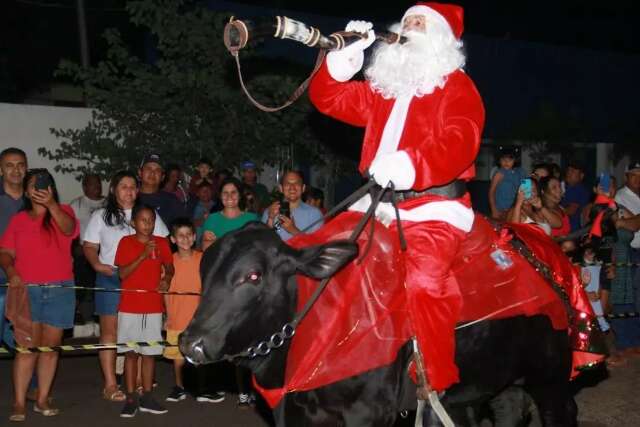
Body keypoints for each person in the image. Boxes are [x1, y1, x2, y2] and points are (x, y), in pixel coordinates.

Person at [309, 2, 484, 392]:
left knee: (424, 284)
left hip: (432, 208)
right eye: (405, 20)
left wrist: (413, 165)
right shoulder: (383, 91)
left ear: (440, 36)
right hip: (375, 205)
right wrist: (341, 62)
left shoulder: (456, 85)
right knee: (315, 256)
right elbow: (330, 100)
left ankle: (433, 382)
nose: (408, 27)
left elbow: (462, 140)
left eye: (419, 22)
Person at [83, 171, 169, 404]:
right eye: (123, 186)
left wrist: (164, 274)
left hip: (144, 282)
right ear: (113, 189)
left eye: (133, 186)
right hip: (111, 277)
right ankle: (111, 384)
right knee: (110, 333)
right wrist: (97, 265)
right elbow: (89, 246)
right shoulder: (101, 215)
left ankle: (141, 381)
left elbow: (163, 245)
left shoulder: (149, 215)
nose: (129, 190)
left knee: (142, 332)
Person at [0, 168, 79, 421]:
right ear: (26, 191)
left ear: (52, 189)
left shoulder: (64, 211)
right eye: (33, 185)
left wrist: (52, 204)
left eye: (44, 184)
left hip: (60, 289)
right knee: (26, 348)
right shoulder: (19, 220)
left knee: (50, 349)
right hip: (28, 291)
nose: (39, 189)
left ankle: (43, 398)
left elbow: (68, 230)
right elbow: (6, 252)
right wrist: (11, 270)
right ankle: (20, 402)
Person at [114, 204, 174, 418]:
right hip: (130, 307)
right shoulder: (126, 242)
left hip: (153, 306)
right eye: (143, 220)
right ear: (133, 223)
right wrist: (143, 255)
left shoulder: (162, 242)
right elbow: (122, 273)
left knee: (149, 354)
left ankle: (147, 396)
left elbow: (169, 265)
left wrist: (166, 278)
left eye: (151, 220)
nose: (148, 224)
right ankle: (131, 398)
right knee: (131, 353)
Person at [163, 218, 225, 403]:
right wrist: (168, 315)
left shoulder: (202, 259)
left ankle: (202, 389)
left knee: (201, 354)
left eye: (188, 235)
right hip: (177, 316)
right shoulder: (168, 263)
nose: (185, 239)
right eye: (180, 236)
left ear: (194, 237)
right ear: (173, 239)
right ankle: (179, 387)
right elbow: (165, 291)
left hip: (199, 318)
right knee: (178, 356)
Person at [69, 173, 105, 333]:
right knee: (83, 286)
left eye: (98, 183)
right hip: (84, 251)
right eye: (92, 184)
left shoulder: (109, 203)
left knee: (101, 286)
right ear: (84, 187)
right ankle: (82, 318)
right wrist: (75, 245)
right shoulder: (76, 204)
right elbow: (70, 229)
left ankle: (99, 319)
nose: (96, 187)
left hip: (105, 252)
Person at [0, 147, 27, 350]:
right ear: (1, 170)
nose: (15, 170)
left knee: (27, 332)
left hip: (29, 275)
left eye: (20, 165)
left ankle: (31, 378)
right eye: (9, 165)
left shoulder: (36, 198)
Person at [262, 170, 324, 242]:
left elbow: (317, 244)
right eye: (287, 183)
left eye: (296, 183)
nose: (292, 187)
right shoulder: (270, 211)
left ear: (303, 188)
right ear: (281, 188)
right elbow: (263, 243)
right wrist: (270, 219)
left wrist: (293, 230)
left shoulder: (314, 213)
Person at [202, 178, 259, 251]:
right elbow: (205, 247)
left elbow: (257, 245)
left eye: (233, 192)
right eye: (225, 193)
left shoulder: (251, 218)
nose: (229, 196)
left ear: (240, 195)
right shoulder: (212, 219)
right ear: (220, 196)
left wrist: (218, 242)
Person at [137, 154, 186, 227]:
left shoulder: (172, 201)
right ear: (140, 172)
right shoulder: (130, 198)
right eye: (148, 168)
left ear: (162, 177)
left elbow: (183, 229)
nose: (152, 173)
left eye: (157, 170)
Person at [489, 146, 525, 220]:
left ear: (514, 160)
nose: (506, 162)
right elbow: (491, 192)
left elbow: (524, 190)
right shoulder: (499, 173)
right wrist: (494, 210)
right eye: (503, 159)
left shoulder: (520, 172)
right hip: (500, 210)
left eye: (510, 159)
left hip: (513, 209)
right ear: (499, 160)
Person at [561, 163, 591, 232]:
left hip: (572, 231)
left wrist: (554, 211)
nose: (569, 173)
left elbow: (571, 210)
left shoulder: (579, 189)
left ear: (581, 175)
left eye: (573, 171)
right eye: (568, 170)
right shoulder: (563, 187)